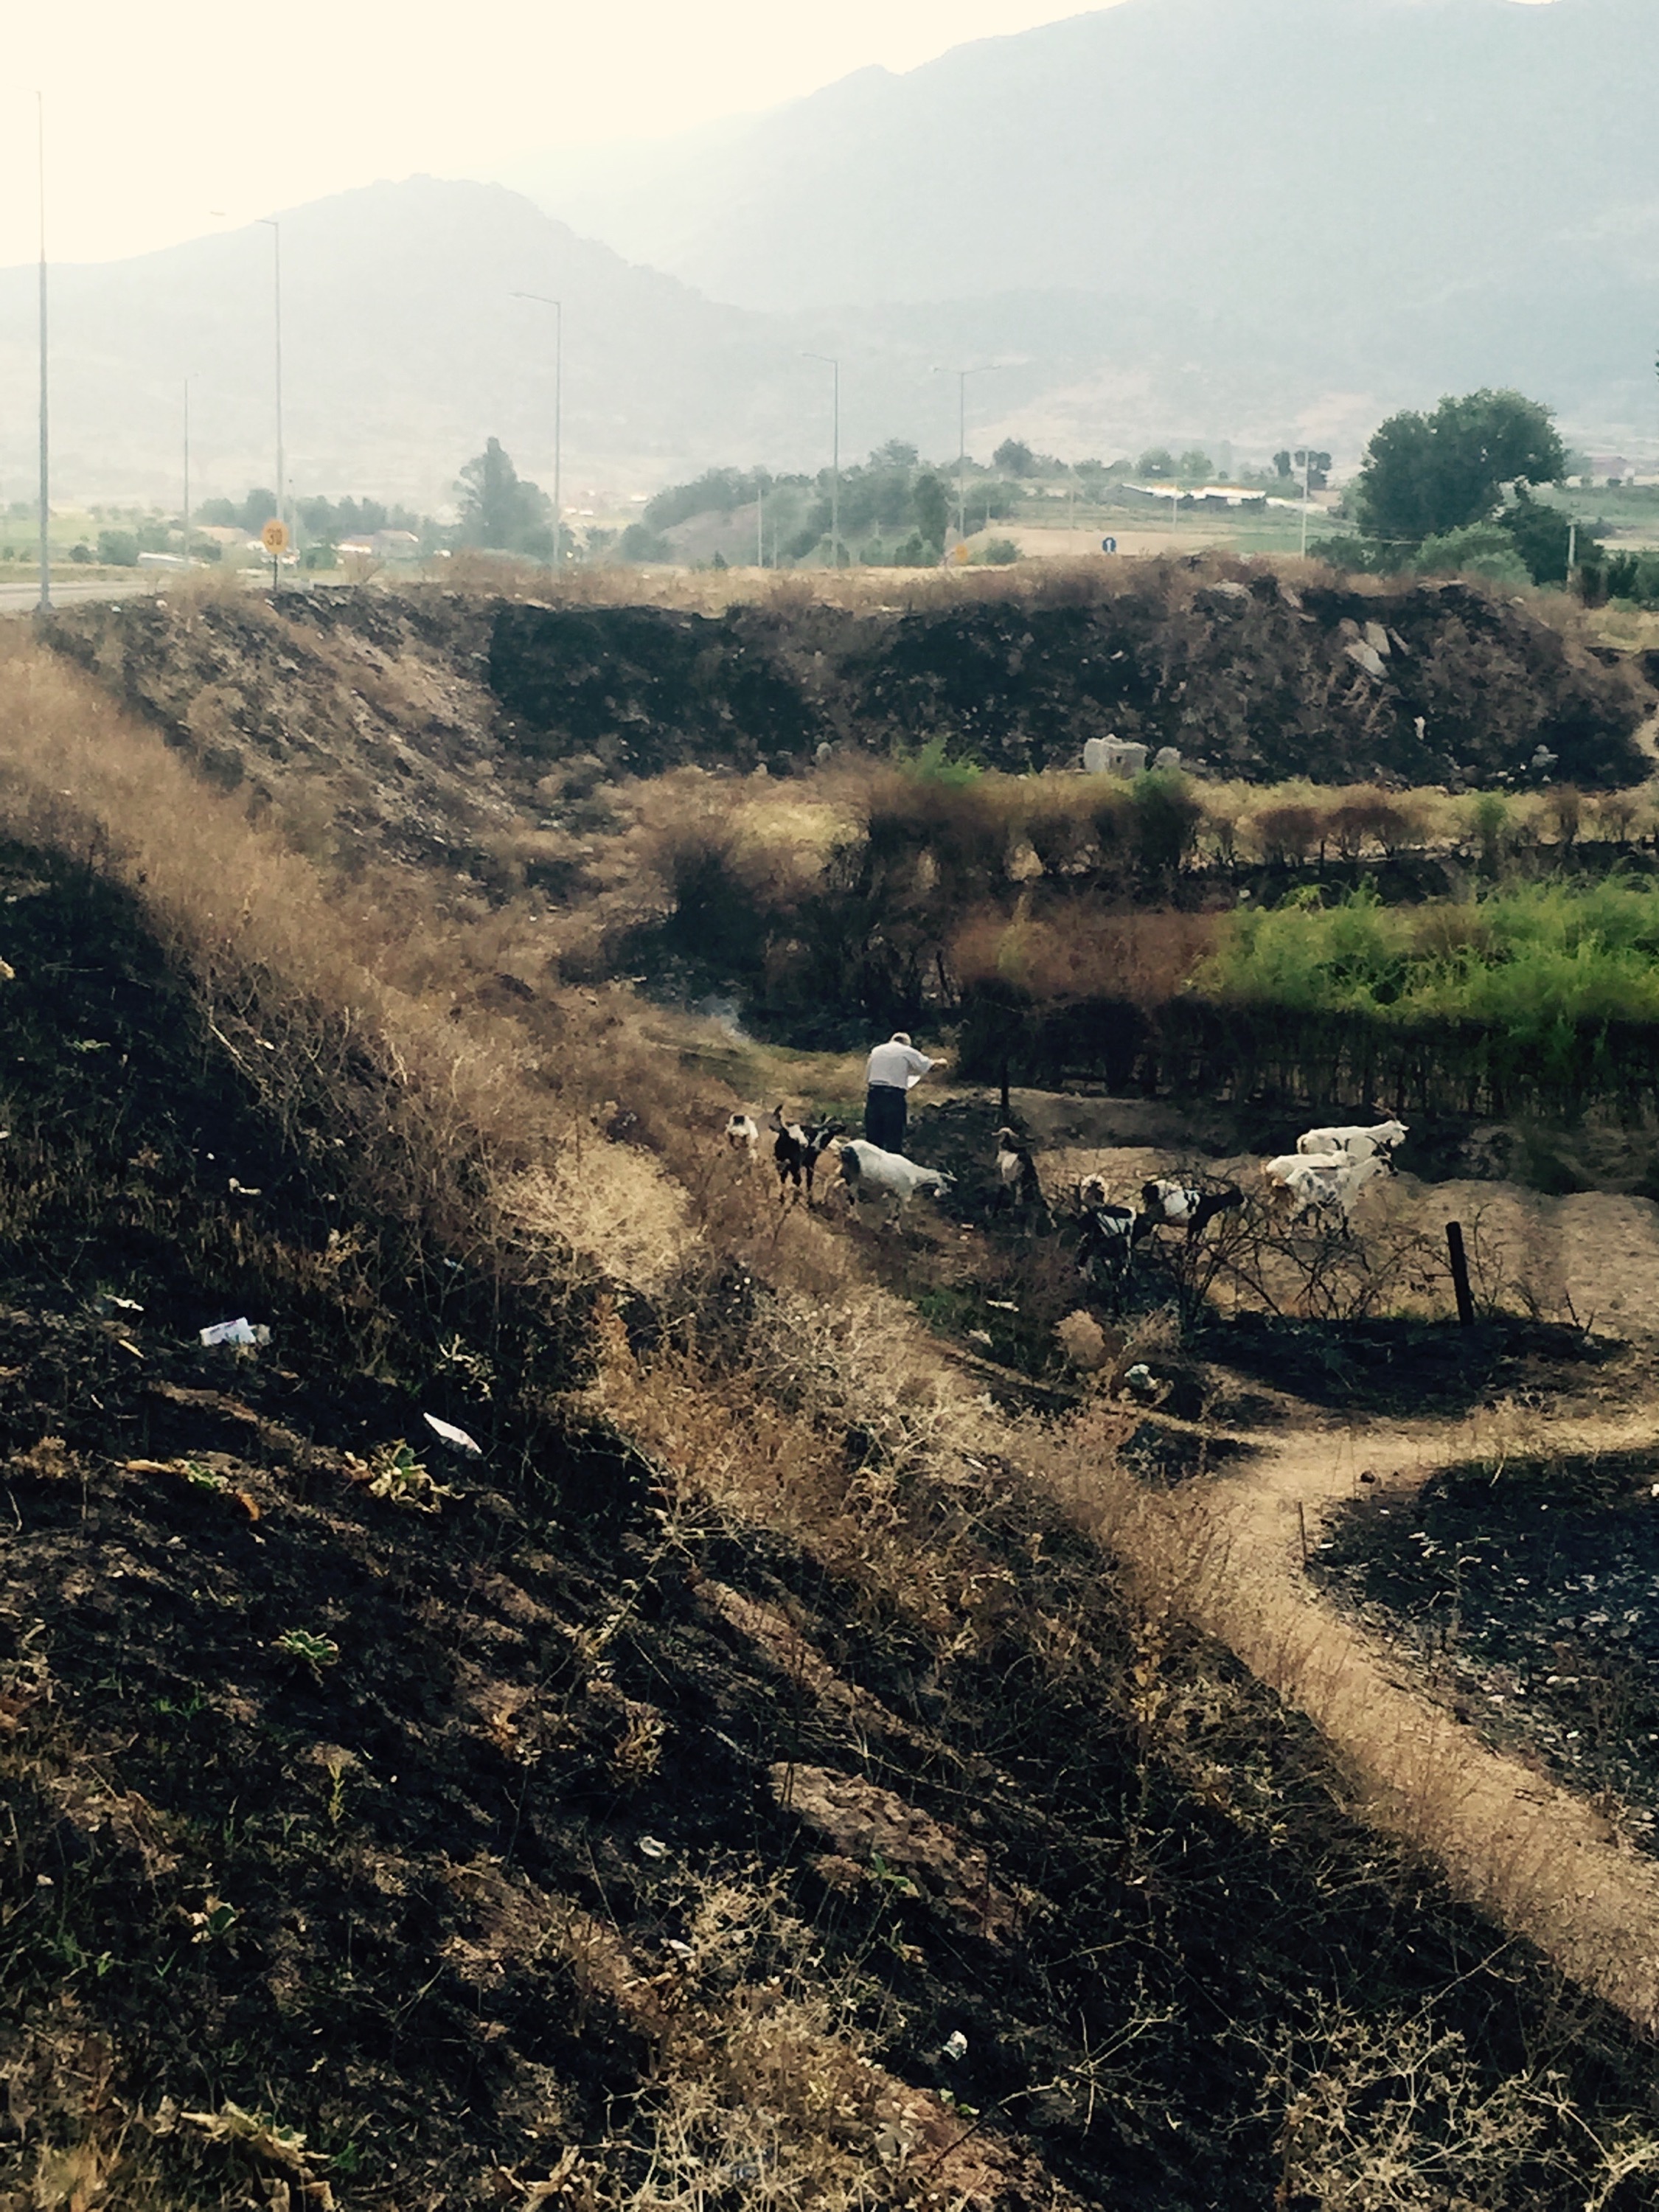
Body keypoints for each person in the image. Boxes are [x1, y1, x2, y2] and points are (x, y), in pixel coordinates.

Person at [863, 1032, 939, 1154]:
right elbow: (929, 1066)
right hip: (893, 1097)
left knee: (873, 1139)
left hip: (874, 1095)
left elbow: (867, 1077)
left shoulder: (876, 1050)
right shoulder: (906, 1051)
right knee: (894, 1137)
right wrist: (942, 1062)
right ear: (906, 1044)